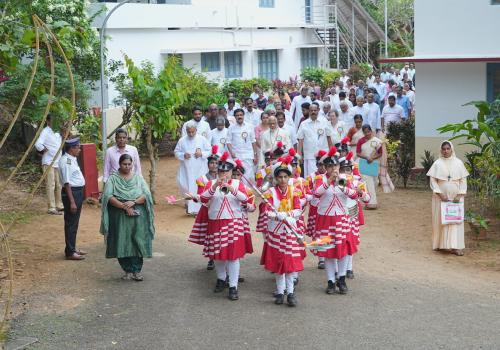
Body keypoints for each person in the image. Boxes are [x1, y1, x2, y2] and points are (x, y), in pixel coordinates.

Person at [195, 152, 251, 301]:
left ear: (232, 172)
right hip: (216, 222)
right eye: (221, 172)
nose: (224, 174)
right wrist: (215, 186)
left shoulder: (239, 184)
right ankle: (221, 278)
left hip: (234, 222)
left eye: (226, 171)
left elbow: (246, 200)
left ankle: (233, 286)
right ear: (217, 172)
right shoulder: (209, 184)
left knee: (233, 257)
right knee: (218, 255)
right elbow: (203, 198)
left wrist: (232, 189)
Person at [100, 154, 155, 281]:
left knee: (137, 242)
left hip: (137, 216)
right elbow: (108, 196)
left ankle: (137, 270)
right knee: (121, 241)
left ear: (132, 164)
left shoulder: (138, 178)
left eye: (129, 164)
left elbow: (146, 195)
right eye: (124, 164)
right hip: (119, 216)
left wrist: (134, 202)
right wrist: (125, 207)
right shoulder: (113, 179)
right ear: (119, 164)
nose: (127, 166)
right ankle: (127, 270)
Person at [313, 146, 358, 294]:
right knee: (328, 251)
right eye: (329, 166)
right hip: (325, 219)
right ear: (325, 167)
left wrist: (339, 181)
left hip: (341, 218)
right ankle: (331, 281)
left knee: (343, 250)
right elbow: (317, 193)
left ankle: (342, 278)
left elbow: (353, 194)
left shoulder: (345, 179)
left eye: (334, 165)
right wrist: (328, 181)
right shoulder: (320, 179)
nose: (332, 168)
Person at [260, 158, 303, 307]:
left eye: (285, 177)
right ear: (276, 178)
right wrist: (276, 215)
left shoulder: (295, 191)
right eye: (280, 177)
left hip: (290, 231)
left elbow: (299, 209)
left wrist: (288, 214)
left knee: (290, 264)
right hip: (275, 231)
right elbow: (267, 211)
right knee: (279, 262)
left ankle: (290, 293)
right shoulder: (270, 192)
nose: (283, 180)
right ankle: (280, 292)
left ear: (289, 177)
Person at [427, 141, 469, 256]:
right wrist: (440, 195)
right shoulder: (437, 163)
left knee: (454, 220)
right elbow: (433, 180)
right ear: (441, 150)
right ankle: (440, 244)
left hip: (456, 198)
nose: (446, 151)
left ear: (452, 149)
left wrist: (459, 195)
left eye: (448, 149)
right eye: (444, 149)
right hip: (440, 197)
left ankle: (455, 247)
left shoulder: (459, 163)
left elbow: (463, 180)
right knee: (441, 220)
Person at [188, 145, 220, 271]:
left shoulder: (223, 179)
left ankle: (220, 257)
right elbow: (201, 196)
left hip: (221, 209)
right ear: (208, 164)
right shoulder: (202, 179)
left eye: (216, 163)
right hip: (207, 210)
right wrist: (197, 198)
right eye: (211, 163)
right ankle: (211, 258)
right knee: (210, 234)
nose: (213, 165)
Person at [174, 122, 211, 215]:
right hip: (186, 169)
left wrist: (201, 153)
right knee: (185, 185)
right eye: (189, 132)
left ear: (196, 130)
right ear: (186, 131)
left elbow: (209, 150)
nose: (190, 134)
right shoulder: (182, 140)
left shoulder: (202, 139)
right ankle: (189, 207)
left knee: (200, 187)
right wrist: (183, 155)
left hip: (200, 168)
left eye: (192, 132)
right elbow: (176, 152)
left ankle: (200, 209)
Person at [58, 137, 86, 260]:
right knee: (70, 223)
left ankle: (72, 248)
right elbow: (67, 183)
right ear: (71, 149)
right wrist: (72, 201)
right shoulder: (66, 161)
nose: (79, 149)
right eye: (77, 147)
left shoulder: (71, 159)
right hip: (72, 193)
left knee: (74, 223)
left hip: (77, 192)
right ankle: (70, 252)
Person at [34, 114, 64, 215]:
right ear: (47, 121)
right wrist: (43, 149)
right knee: (51, 184)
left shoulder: (57, 132)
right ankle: (51, 207)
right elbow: (38, 144)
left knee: (59, 184)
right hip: (48, 162)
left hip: (58, 162)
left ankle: (59, 205)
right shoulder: (45, 131)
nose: (54, 123)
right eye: (52, 120)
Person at [297, 103, 333, 176]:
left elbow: (329, 137)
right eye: (311, 110)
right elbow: (300, 140)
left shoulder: (324, 122)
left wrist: (331, 153)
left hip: (324, 156)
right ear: (309, 111)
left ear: (318, 110)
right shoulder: (303, 124)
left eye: (315, 110)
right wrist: (299, 155)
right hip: (310, 156)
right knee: (311, 177)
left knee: (325, 177)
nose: (313, 112)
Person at [227, 109, 258, 186]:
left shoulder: (250, 126)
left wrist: (255, 155)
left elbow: (253, 141)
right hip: (236, 156)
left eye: (241, 115)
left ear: (243, 116)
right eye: (237, 115)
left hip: (248, 155)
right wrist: (232, 153)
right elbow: (228, 142)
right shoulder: (231, 128)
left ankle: (249, 193)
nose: (239, 117)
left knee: (248, 176)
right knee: (237, 176)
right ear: (235, 117)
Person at [356, 125, 383, 209]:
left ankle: (367, 199)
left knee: (374, 182)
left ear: (371, 131)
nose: (367, 133)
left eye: (368, 131)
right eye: (365, 132)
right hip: (364, 164)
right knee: (368, 183)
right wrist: (366, 157)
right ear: (363, 132)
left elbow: (380, 153)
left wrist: (372, 158)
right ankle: (371, 203)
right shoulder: (361, 141)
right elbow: (358, 153)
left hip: (374, 164)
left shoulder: (377, 141)